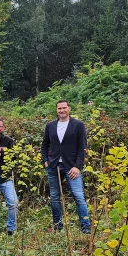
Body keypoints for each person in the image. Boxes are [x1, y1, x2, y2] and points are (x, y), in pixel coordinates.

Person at [41, 100, 91, 234]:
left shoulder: (78, 125)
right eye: (59, 108)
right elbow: (45, 145)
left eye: (64, 108)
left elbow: (82, 148)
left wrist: (77, 166)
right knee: (55, 197)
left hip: (71, 167)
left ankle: (86, 228)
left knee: (78, 196)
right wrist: (45, 160)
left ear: (69, 109)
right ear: (56, 110)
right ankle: (58, 226)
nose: (62, 110)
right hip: (53, 166)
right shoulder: (50, 126)